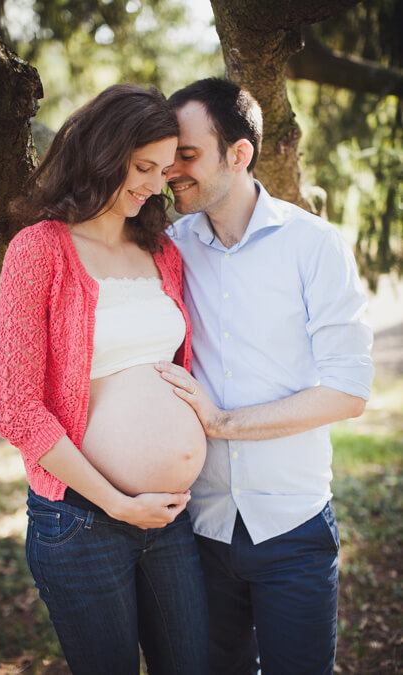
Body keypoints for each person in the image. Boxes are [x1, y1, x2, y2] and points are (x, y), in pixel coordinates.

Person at [155, 78, 374, 674]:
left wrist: (224, 422)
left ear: (240, 153)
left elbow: (349, 390)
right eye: (169, 155)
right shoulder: (168, 249)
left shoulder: (314, 246)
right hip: (198, 528)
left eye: (189, 154)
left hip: (293, 528)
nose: (171, 170)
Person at [0, 84, 210, 675]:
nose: (152, 184)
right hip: (82, 521)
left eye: (163, 171)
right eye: (142, 167)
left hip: (167, 518)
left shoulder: (162, 252)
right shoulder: (40, 250)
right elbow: (18, 408)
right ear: (103, 151)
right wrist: (117, 502)